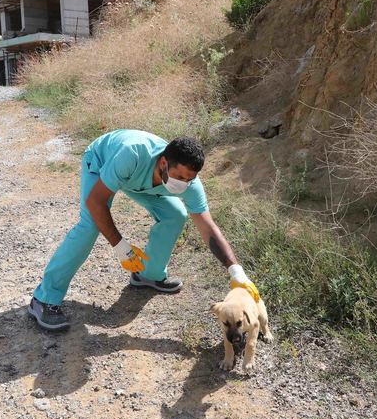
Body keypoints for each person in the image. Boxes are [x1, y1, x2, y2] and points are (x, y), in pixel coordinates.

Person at [28, 129, 260, 331]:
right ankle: (44, 298)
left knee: (176, 215)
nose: (184, 184)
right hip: (103, 161)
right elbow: (95, 202)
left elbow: (208, 228)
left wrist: (236, 272)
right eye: (180, 177)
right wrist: (121, 247)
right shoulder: (132, 154)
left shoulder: (189, 184)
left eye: (190, 179)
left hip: (144, 181)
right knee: (90, 224)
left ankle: (148, 275)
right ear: (163, 163)